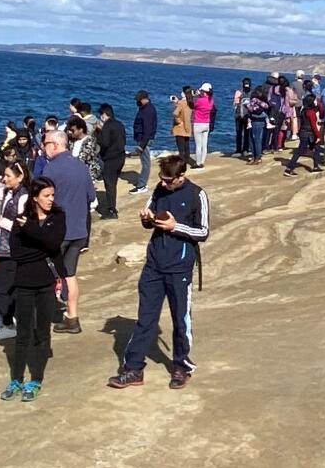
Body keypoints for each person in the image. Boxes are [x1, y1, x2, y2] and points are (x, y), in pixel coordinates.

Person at [108, 154, 209, 391]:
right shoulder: (159, 190)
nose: (164, 183)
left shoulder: (197, 195)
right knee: (146, 318)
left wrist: (176, 227)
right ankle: (133, 369)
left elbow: (203, 232)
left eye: (168, 180)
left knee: (180, 319)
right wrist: (147, 219)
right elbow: (150, 217)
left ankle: (181, 366)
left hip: (180, 266)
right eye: (161, 179)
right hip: (154, 263)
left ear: (181, 176)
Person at [0, 178, 67, 403]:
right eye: (47, 195)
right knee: (23, 333)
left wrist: (31, 232)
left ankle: (36, 378)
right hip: (24, 281)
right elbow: (17, 253)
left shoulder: (57, 216)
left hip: (46, 282)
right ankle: (16, 378)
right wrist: (41, 245)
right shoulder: (22, 219)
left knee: (42, 332)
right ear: (35, 197)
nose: (51, 200)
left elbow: (54, 243)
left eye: (53, 195)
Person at [39, 129, 93, 335]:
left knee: (47, 272)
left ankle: (43, 315)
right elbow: (90, 196)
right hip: (79, 230)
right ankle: (72, 316)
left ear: (54, 145)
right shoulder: (80, 166)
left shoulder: (51, 169)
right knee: (69, 273)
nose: (44, 148)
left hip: (58, 231)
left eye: (45, 144)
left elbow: (42, 200)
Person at [0, 160, 30, 342]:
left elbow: (23, 226)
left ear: (20, 177)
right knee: (10, 288)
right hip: (2, 246)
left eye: (8, 176)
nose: (4, 179)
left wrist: (1, 221)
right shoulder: (8, 192)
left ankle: (8, 324)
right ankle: (9, 319)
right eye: (4, 176)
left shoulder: (23, 197)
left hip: (14, 249)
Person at [96, 102, 127, 218]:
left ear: (104, 114)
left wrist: (99, 132)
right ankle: (112, 207)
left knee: (109, 185)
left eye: (101, 115)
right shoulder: (120, 124)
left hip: (111, 159)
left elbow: (104, 142)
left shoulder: (107, 126)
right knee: (113, 184)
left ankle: (111, 210)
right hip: (120, 157)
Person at [285, 89, 325, 175]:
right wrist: (318, 136)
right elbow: (313, 125)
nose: (316, 101)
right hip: (310, 133)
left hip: (303, 132)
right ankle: (289, 169)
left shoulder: (303, 110)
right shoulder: (311, 112)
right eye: (314, 100)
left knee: (313, 149)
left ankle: (315, 166)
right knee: (304, 150)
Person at [129, 89, 158, 195]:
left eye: (139, 100)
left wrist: (142, 145)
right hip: (142, 138)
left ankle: (142, 185)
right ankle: (142, 181)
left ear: (145, 99)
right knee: (144, 162)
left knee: (145, 163)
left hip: (144, 139)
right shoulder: (144, 108)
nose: (138, 102)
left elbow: (148, 129)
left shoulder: (148, 111)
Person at [191, 81, 214, 167]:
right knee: (205, 145)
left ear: (204, 91)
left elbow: (192, 105)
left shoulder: (200, 100)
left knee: (198, 146)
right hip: (206, 124)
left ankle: (198, 163)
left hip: (198, 124)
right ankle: (202, 162)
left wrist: (195, 95)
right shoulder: (211, 100)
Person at [232, 76, 253, 158]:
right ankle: (246, 150)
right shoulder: (252, 93)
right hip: (248, 117)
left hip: (239, 116)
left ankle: (238, 150)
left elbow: (235, 104)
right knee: (247, 134)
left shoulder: (238, 92)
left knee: (239, 134)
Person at [171, 88, 193, 161]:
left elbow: (175, 113)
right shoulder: (191, 102)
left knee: (181, 148)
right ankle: (187, 161)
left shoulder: (181, 103)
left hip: (180, 128)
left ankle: (182, 163)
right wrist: (177, 102)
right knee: (187, 146)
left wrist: (179, 121)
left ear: (184, 93)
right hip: (188, 127)